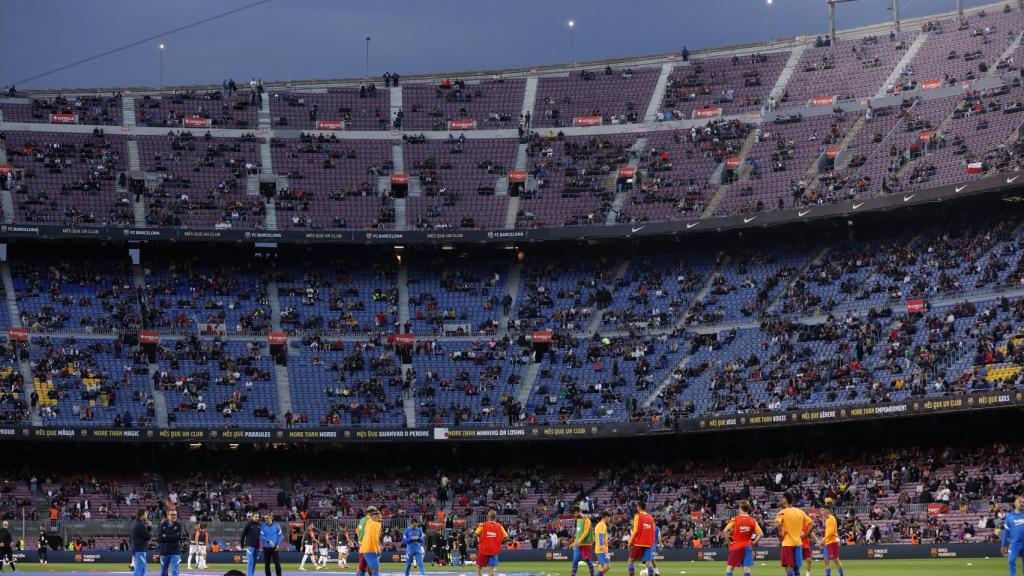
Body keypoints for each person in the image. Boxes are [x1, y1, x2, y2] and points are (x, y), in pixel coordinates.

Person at [775, 492, 812, 576]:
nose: (781, 500)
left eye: (782, 498)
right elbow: (812, 524)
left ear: (785, 500)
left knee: (788, 566)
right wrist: (805, 535)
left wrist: (780, 538)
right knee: (796, 567)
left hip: (787, 543)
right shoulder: (800, 512)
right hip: (798, 543)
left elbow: (775, 526)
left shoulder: (782, 512)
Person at [723, 500, 763, 576]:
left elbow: (725, 531)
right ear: (748, 509)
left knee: (730, 568)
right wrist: (753, 543)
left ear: (740, 508)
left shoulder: (735, 519)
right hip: (747, 546)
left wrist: (729, 543)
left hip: (736, 546)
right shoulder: (753, 520)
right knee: (746, 569)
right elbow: (761, 534)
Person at [473, 510, 507, 576]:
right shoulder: (500, 526)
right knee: (491, 572)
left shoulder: (482, 525)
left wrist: (477, 543)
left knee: (479, 569)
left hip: (483, 549)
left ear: (488, 516)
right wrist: (499, 543)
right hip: (494, 550)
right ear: (495, 517)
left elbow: (475, 535)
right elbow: (506, 537)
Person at [627, 501, 656, 576]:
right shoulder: (651, 517)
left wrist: (630, 541)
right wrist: (651, 543)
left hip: (638, 542)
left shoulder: (638, 516)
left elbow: (635, 530)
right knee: (648, 563)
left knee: (630, 561)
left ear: (639, 507)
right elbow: (653, 531)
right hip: (648, 543)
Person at [569, 505, 595, 576]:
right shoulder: (577, 520)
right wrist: (574, 542)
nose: (574, 515)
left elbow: (586, 532)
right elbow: (578, 533)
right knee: (575, 560)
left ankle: (592, 574)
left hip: (585, 544)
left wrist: (579, 540)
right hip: (578, 544)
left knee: (587, 559)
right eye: (573, 513)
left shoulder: (587, 520)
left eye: (575, 513)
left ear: (579, 512)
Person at [158, 509, 184, 576]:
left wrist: (166, 536)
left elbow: (179, 537)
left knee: (175, 572)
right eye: (172, 514)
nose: (174, 516)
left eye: (175, 514)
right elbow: (160, 538)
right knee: (163, 573)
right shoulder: (162, 525)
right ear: (168, 515)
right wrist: (173, 536)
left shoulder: (179, 525)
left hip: (175, 552)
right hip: (164, 552)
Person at [1003, 496, 1024, 576]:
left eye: (1023, 502)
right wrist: (1004, 545)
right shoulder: (1009, 516)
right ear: (1015, 503)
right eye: (1020, 502)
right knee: (1011, 560)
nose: (1022, 504)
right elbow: (1005, 532)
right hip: (1014, 544)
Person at [359, 509, 383, 576]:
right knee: (375, 569)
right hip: (371, 549)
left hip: (363, 549)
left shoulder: (368, 522)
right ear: (375, 517)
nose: (381, 519)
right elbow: (374, 537)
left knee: (362, 570)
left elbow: (359, 530)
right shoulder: (377, 524)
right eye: (380, 517)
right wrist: (378, 550)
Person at [355, 506, 378, 576]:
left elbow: (357, 530)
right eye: (375, 512)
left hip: (362, 544)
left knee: (363, 565)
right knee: (372, 567)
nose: (376, 514)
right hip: (368, 545)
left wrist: (360, 539)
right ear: (371, 512)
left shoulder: (362, 519)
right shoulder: (370, 521)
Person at [820, 507, 843, 576]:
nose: (821, 512)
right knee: (826, 561)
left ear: (827, 510)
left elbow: (831, 532)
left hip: (832, 542)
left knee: (836, 561)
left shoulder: (831, 518)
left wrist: (823, 540)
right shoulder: (827, 519)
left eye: (823, 510)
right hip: (827, 543)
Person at [131, 509, 151, 576]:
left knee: (142, 570)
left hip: (138, 549)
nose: (147, 515)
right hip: (140, 550)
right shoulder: (140, 524)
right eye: (146, 514)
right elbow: (148, 536)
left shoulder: (135, 523)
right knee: (139, 569)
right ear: (142, 515)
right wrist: (148, 526)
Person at [594, 511, 612, 576]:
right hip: (602, 549)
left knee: (602, 567)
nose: (609, 519)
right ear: (606, 517)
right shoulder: (602, 524)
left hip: (599, 549)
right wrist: (601, 544)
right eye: (609, 517)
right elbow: (600, 535)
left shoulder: (598, 525)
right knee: (607, 566)